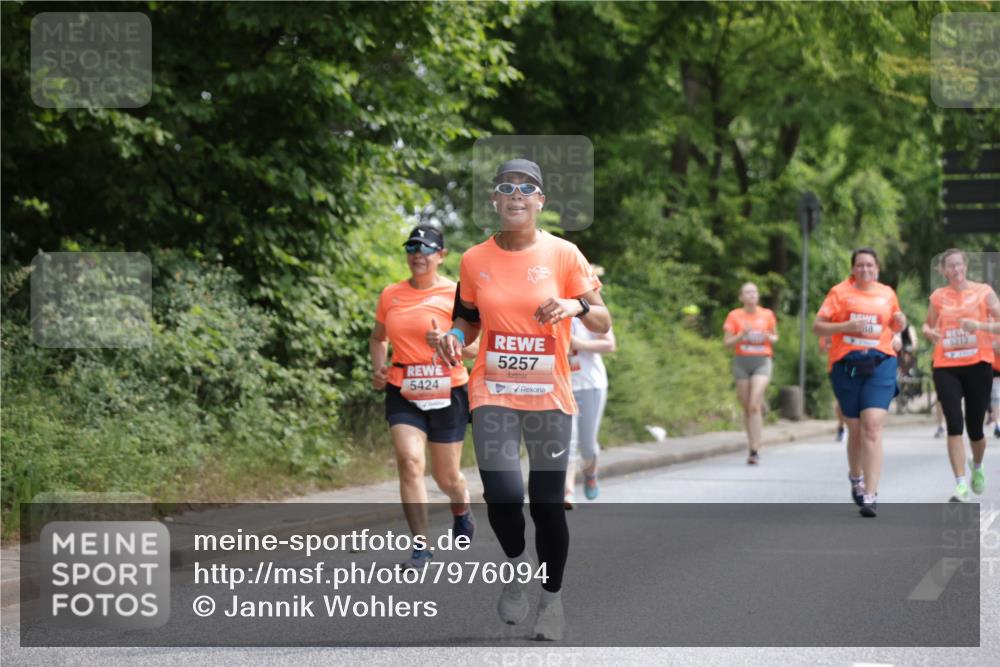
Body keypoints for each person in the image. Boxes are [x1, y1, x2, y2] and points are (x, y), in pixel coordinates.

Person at [434, 158, 610, 641]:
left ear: (540, 201)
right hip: (492, 390)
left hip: (549, 395)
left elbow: (602, 321)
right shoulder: (474, 260)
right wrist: (453, 335)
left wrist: (576, 305)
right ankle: (515, 571)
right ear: (495, 200)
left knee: (547, 506)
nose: (515, 195)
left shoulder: (564, 254)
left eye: (525, 188)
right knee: (505, 496)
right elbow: (466, 318)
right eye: (506, 187)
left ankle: (550, 601)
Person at [370, 225, 479, 570]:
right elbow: (378, 338)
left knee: (447, 478)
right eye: (412, 247)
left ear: (442, 255)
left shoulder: (456, 294)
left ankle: (461, 506)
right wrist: (378, 368)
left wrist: (449, 342)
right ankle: (421, 548)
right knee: (409, 462)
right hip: (404, 386)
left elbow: (477, 347)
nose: (418, 254)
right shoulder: (391, 294)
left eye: (427, 248)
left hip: (449, 388)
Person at [813, 248, 907, 517]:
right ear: (853, 269)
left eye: (870, 265)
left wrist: (900, 321)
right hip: (847, 366)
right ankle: (856, 477)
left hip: (881, 363)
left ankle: (871, 494)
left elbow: (895, 323)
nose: (865, 270)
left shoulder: (887, 293)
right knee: (854, 429)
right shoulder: (839, 293)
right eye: (860, 266)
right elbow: (818, 326)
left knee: (873, 427)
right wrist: (844, 328)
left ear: (877, 268)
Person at [923, 248, 1000, 501]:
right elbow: (928, 324)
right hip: (946, 366)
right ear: (943, 271)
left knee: (975, 429)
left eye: (959, 265)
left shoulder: (984, 292)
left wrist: (979, 326)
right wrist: (929, 332)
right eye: (950, 266)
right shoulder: (938, 297)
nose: (955, 270)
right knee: (954, 425)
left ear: (966, 266)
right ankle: (960, 485)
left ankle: (977, 466)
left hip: (978, 364)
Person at [564, 276, 615, 508]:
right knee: (567, 441)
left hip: (590, 384)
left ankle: (591, 474)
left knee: (587, 443)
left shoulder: (589, 309)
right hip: (562, 385)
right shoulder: (552, 308)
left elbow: (609, 344)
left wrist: (577, 343)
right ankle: (567, 493)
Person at [723, 283, 778, 465]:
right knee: (746, 406)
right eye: (748, 292)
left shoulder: (767, 315)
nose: (752, 295)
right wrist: (742, 335)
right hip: (741, 362)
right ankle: (751, 443)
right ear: (741, 297)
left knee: (754, 403)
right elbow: (727, 343)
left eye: (755, 291)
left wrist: (769, 338)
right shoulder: (734, 316)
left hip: (762, 361)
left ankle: (755, 448)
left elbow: (775, 337)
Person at [820, 336, 847, 442]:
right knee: (841, 398)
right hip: (836, 368)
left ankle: (855, 425)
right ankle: (842, 426)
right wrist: (830, 344)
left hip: (855, 367)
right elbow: (822, 348)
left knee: (855, 394)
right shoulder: (831, 327)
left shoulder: (856, 322)